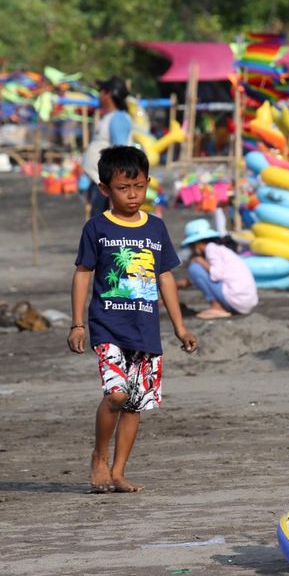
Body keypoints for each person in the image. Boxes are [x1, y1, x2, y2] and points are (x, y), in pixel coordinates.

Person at [68, 146, 198, 493]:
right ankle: (99, 456)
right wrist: (77, 323)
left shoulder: (155, 228)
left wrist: (179, 326)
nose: (132, 195)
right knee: (115, 393)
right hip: (108, 326)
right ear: (105, 189)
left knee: (135, 402)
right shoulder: (97, 228)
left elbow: (165, 277)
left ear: (148, 184)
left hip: (146, 330)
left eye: (139, 187)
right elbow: (83, 273)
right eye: (124, 188)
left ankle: (118, 471)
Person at [176, 218, 258, 319]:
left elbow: (217, 274)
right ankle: (219, 306)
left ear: (197, 244)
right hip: (245, 302)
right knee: (197, 269)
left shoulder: (211, 249)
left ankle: (216, 307)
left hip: (237, 299)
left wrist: (200, 260)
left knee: (195, 268)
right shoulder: (220, 250)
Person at [83, 76, 134, 217]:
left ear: (108, 94)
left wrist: (116, 193)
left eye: (101, 91)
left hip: (109, 186)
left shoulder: (118, 118)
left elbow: (120, 154)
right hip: (101, 183)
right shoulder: (109, 117)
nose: (99, 95)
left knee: (104, 229)